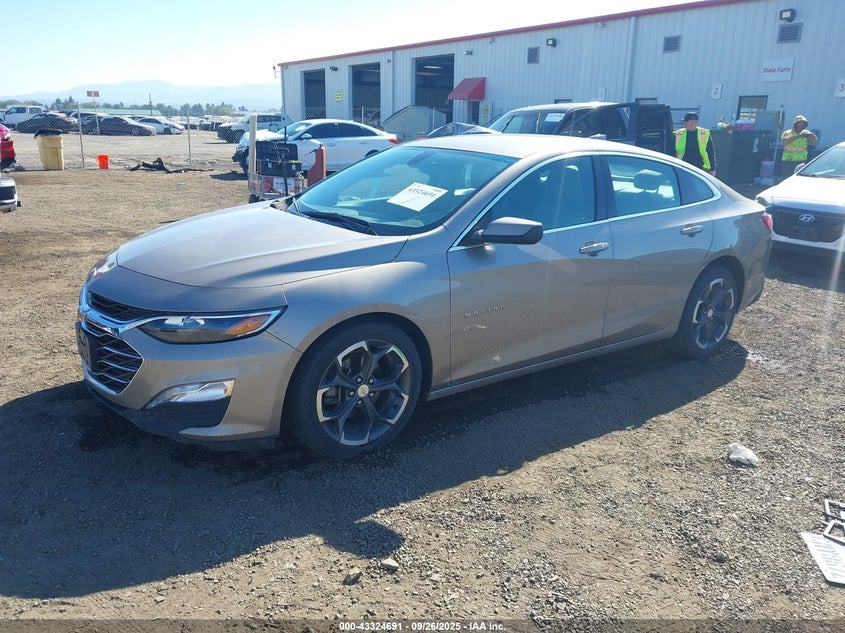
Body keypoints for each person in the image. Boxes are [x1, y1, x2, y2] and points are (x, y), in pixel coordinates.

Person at [675, 112, 716, 176]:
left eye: (686, 121)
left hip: (700, 168)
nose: (684, 123)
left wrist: (712, 169)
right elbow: (672, 151)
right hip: (682, 166)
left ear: (694, 122)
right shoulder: (679, 133)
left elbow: (710, 152)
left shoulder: (704, 133)